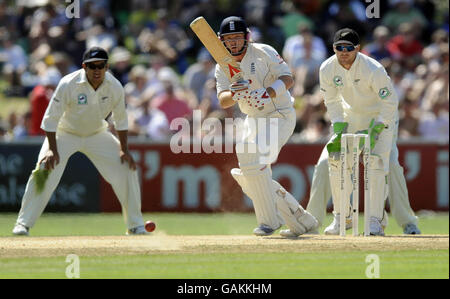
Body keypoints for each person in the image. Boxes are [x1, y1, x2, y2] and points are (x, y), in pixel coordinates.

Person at [12, 47, 148, 236]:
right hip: (64, 132)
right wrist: (52, 149)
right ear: (84, 66)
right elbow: (50, 119)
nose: (97, 70)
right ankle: (23, 224)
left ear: (107, 66)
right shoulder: (69, 83)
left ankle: (135, 225)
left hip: (96, 134)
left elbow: (121, 121)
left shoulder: (115, 86)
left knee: (126, 167)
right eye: (93, 66)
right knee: (44, 169)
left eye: (101, 65)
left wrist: (124, 149)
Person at [215, 16, 318, 237]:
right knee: (248, 171)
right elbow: (223, 100)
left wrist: (267, 93)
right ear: (221, 41)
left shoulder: (263, 51)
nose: (233, 42)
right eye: (228, 38)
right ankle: (301, 220)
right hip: (253, 118)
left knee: (254, 159)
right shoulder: (222, 65)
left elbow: (288, 78)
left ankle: (269, 222)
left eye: (237, 37)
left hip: (278, 114)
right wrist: (235, 92)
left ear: (247, 37)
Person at [316, 28, 403, 236]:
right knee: (335, 161)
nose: (344, 52)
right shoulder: (327, 68)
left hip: (379, 116)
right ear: (333, 48)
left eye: (348, 48)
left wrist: (378, 127)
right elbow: (331, 100)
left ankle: (374, 220)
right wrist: (338, 125)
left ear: (358, 49)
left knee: (375, 163)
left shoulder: (373, 69)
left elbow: (390, 101)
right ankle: (342, 217)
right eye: (339, 47)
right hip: (350, 116)